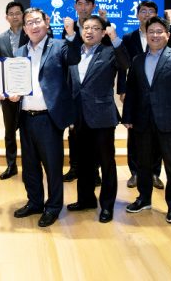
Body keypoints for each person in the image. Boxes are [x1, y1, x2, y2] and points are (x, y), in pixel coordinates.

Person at [122, 16, 171, 224]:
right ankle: (144, 198)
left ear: (167, 35)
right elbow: (132, 90)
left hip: (169, 120)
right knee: (143, 164)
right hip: (142, 121)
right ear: (146, 34)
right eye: (151, 32)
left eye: (159, 32)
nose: (155, 35)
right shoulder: (138, 60)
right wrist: (127, 117)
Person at [12, 8, 79, 227]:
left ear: (46, 23)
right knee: (30, 166)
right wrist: (11, 93)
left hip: (49, 118)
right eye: (29, 23)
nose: (34, 26)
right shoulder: (19, 52)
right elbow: (14, 82)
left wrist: (71, 34)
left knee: (52, 166)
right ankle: (34, 202)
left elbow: (75, 57)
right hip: (25, 117)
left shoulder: (59, 46)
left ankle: (53, 207)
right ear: (24, 28)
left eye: (37, 21)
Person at [65, 15, 130, 223]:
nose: (89, 31)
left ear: (103, 33)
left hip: (102, 117)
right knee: (83, 162)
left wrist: (115, 38)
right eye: (86, 27)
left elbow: (125, 63)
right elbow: (71, 85)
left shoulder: (110, 52)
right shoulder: (74, 52)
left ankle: (107, 206)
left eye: (95, 28)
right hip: (79, 117)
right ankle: (86, 200)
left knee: (106, 163)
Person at [117, 0, 171, 190]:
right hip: (137, 93)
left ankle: (154, 173)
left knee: (158, 135)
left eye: (151, 11)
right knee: (135, 135)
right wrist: (122, 89)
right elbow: (123, 64)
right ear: (137, 15)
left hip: (160, 96)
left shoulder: (161, 35)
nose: (146, 14)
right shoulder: (129, 37)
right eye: (143, 11)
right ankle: (135, 172)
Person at [62, 0, 108, 184]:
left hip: (95, 96)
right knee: (74, 134)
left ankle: (94, 171)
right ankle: (75, 168)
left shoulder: (102, 26)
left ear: (93, 6)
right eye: (79, 4)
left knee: (95, 138)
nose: (83, 7)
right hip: (74, 91)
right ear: (75, 6)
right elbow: (65, 58)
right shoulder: (69, 28)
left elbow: (111, 55)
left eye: (87, 4)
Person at [0, 1, 29, 180]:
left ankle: (29, 167)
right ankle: (11, 165)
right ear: (6, 17)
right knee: (9, 131)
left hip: (28, 92)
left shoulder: (30, 34)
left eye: (18, 13)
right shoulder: (0, 39)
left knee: (28, 131)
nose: (15, 16)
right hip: (7, 92)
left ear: (23, 15)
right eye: (11, 13)